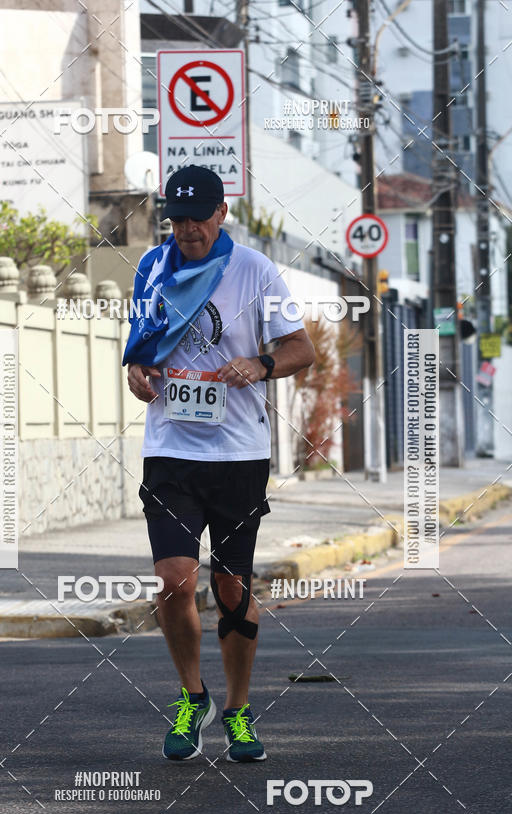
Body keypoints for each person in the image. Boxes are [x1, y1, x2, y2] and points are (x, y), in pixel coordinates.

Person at [123, 165, 314, 762]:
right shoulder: (151, 268)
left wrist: (259, 364)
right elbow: (138, 351)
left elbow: (301, 348)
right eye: (176, 219)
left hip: (237, 454)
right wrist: (137, 373)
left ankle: (237, 708)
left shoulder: (254, 270)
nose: (187, 230)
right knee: (174, 580)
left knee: (231, 587)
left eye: (197, 217)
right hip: (171, 451)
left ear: (221, 214)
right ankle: (191, 696)